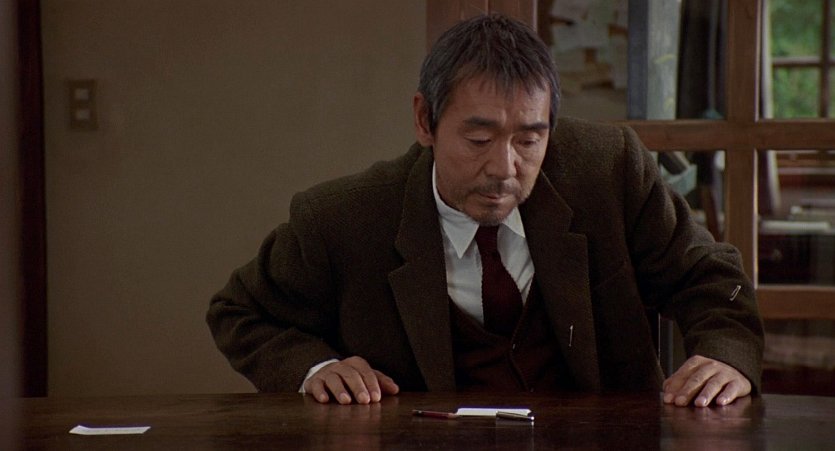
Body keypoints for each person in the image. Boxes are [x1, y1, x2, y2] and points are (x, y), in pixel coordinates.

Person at [207, 14, 763, 408]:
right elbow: (239, 312)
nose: (504, 168)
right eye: (478, 140)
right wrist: (316, 368)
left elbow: (710, 275)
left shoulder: (607, 170)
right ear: (424, 120)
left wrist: (727, 355)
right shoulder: (344, 218)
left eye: (529, 140)